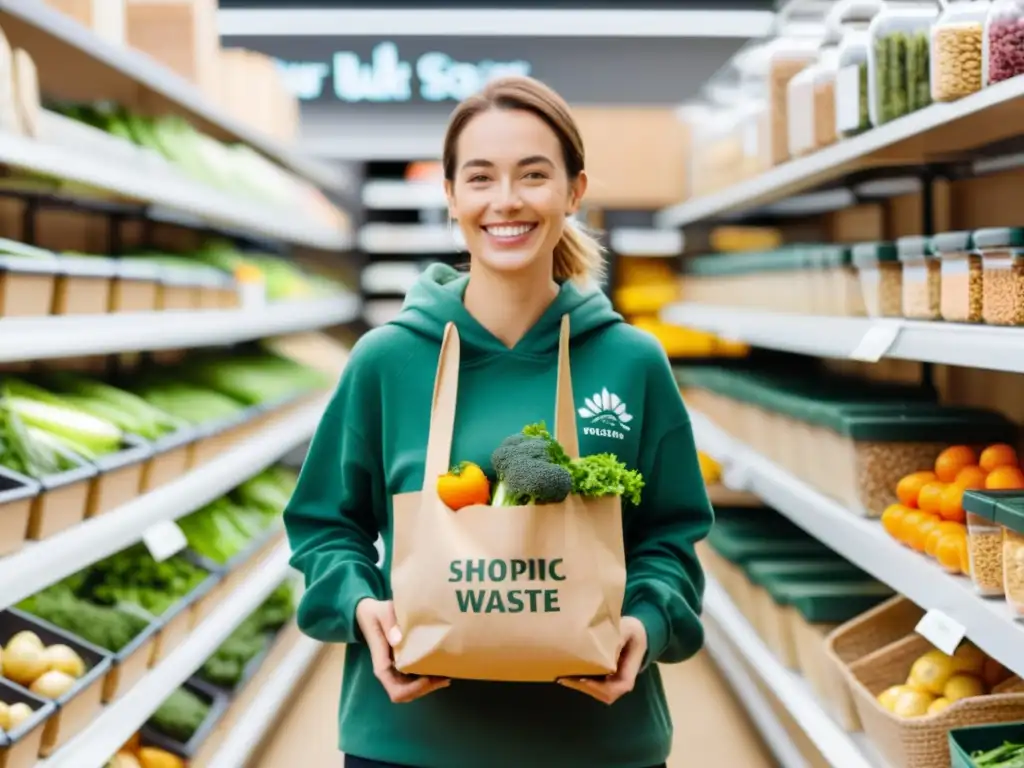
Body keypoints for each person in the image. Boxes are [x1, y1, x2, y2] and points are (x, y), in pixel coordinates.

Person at [283, 75, 714, 768]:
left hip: (597, 743)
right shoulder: (387, 362)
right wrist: (363, 610)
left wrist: (647, 621)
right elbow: (325, 527)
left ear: (575, 191)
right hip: (411, 740)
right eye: (480, 178)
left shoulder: (632, 363)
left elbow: (672, 532)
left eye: (533, 175)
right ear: (451, 195)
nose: (506, 201)